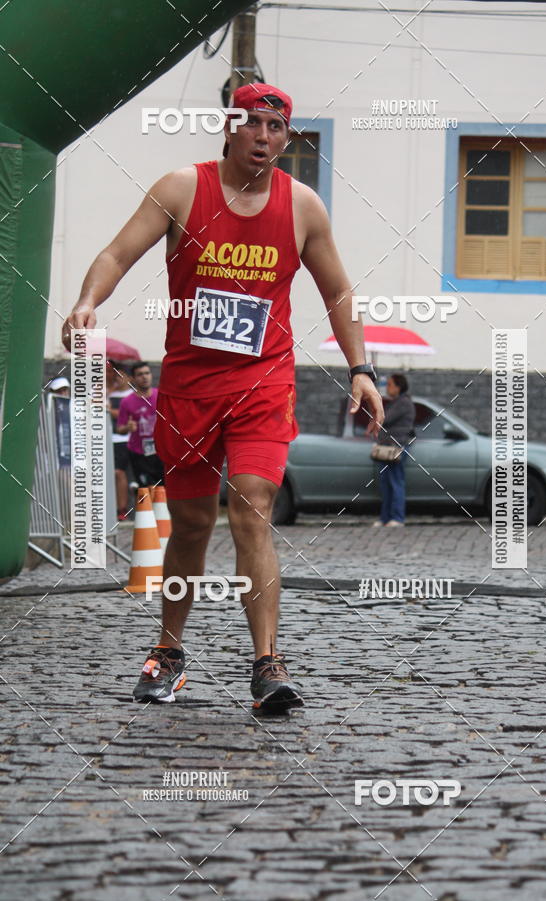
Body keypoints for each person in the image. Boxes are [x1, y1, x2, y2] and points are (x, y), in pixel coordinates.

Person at [61, 82, 384, 712]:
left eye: (277, 128)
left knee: (253, 506)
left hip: (264, 382)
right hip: (188, 386)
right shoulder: (183, 188)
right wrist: (86, 302)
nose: (265, 137)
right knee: (190, 527)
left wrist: (361, 368)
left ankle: (267, 666)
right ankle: (169, 652)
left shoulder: (303, 207)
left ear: (287, 139)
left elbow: (338, 292)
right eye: (253, 124)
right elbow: (116, 252)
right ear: (230, 128)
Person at [375, 373, 415, 528]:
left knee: (395, 481)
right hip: (388, 446)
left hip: (397, 446)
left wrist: (377, 401)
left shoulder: (403, 403)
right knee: (385, 483)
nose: (388, 388)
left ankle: (397, 518)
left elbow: (385, 418)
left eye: (390, 384)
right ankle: (385, 518)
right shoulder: (396, 402)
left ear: (399, 387)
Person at [116, 362, 164, 489]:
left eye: (147, 373)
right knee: (145, 489)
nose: (144, 377)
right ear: (133, 378)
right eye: (140, 374)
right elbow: (120, 428)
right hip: (138, 453)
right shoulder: (127, 402)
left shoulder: (161, 396)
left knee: (163, 490)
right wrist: (128, 427)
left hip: (161, 451)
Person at [106, 360, 134, 520]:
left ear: (129, 378)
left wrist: (111, 411)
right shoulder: (111, 394)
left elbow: (129, 417)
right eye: (116, 375)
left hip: (124, 439)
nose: (118, 378)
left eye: (122, 376)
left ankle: (121, 509)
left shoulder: (131, 396)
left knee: (119, 473)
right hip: (109, 437)